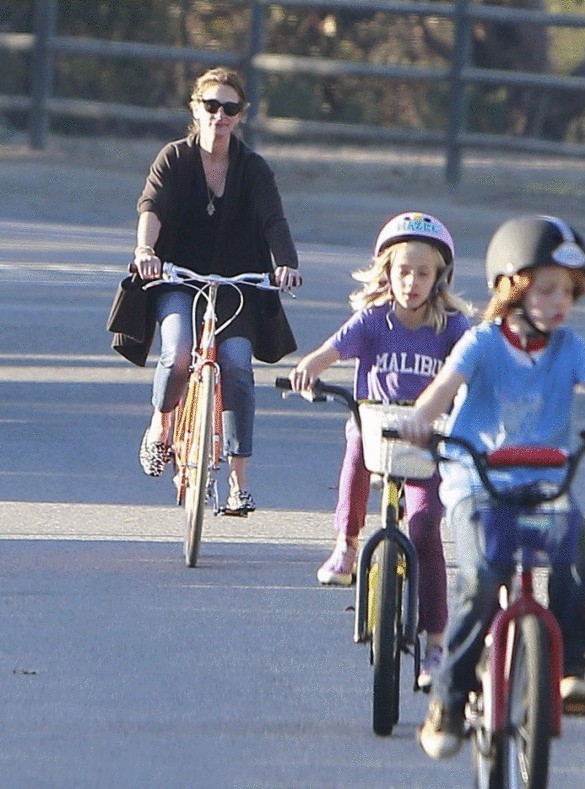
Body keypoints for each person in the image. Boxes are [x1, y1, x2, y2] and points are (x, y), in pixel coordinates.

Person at [396, 215, 585, 759]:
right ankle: (448, 698)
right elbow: (441, 391)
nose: (559, 302)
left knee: (577, 544)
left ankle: (568, 670)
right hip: (478, 480)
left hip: (543, 480)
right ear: (512, 288)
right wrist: (419, 421)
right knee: (484, 573)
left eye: (568, 291)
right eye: (546, 289)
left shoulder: (572, 348)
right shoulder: (482, 344)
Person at [287, 212, 472, 690]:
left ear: (440, 278)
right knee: (354, 450)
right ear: (387, 272)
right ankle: (345, 546)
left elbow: (476, 364)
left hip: (427, 437)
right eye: (403, 271)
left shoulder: (451, 326)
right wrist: (309, 368)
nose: (411, 283)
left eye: (423, 273)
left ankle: (435, 644)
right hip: (376, 427)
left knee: (426, 526)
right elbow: (331, 350)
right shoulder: (373, 320)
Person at [116, 66, 302, 515]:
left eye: (229, 108)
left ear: (240, 115)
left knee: (237, 364)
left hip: (236, 285)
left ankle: (239, 482)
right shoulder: (173, 159)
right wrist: (146, 249)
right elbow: (152, 206)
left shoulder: (253, 169)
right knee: (178, 351)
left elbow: (273, 220)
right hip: (178, 277)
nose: (219, 115)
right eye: (211, 106)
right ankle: (161, 425)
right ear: (195, 109)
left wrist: (286, 264)